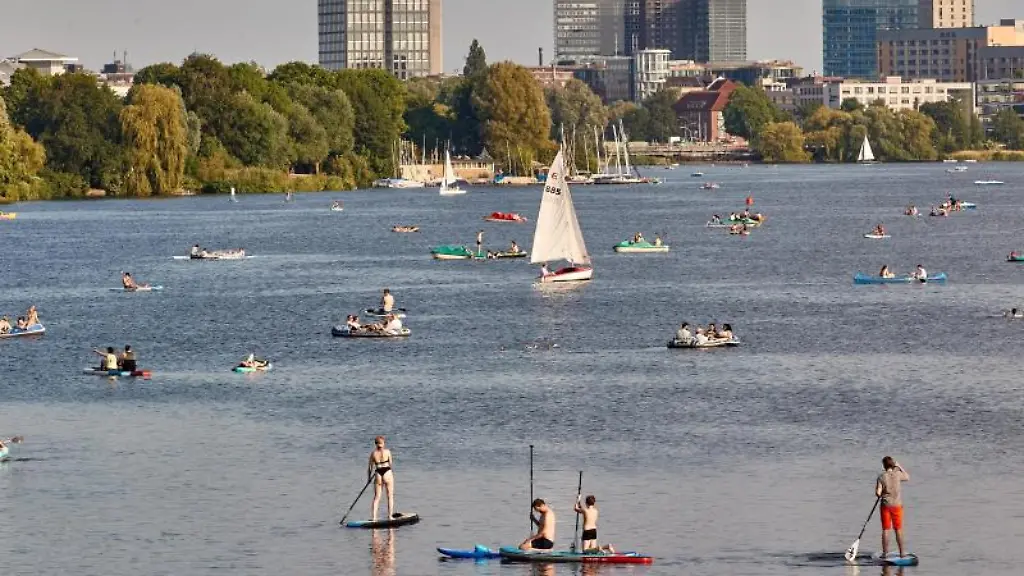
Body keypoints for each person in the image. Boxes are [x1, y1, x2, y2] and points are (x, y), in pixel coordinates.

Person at [876, 456, 910, 559]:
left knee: (886, 529)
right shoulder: (898, 474)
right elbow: (907, 477)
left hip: (885, 505)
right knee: (898, 529)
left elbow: (878, 493)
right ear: (892, 465)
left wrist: (880, 494)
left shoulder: (881, 477)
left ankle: (885, 553)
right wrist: (899, 466)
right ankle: (902, 553)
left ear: (884, 466)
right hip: (897, 506)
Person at [368, 436, 395, 522]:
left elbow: (370, 467)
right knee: (389, 496)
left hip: (378, 474)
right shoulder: (388, 452)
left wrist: (369, 478)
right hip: (387, 472)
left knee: (377, 497)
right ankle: (390, 516)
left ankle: (374, 518)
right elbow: (390, 464)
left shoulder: (373, 454)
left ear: (375, 444)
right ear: (383, 443)